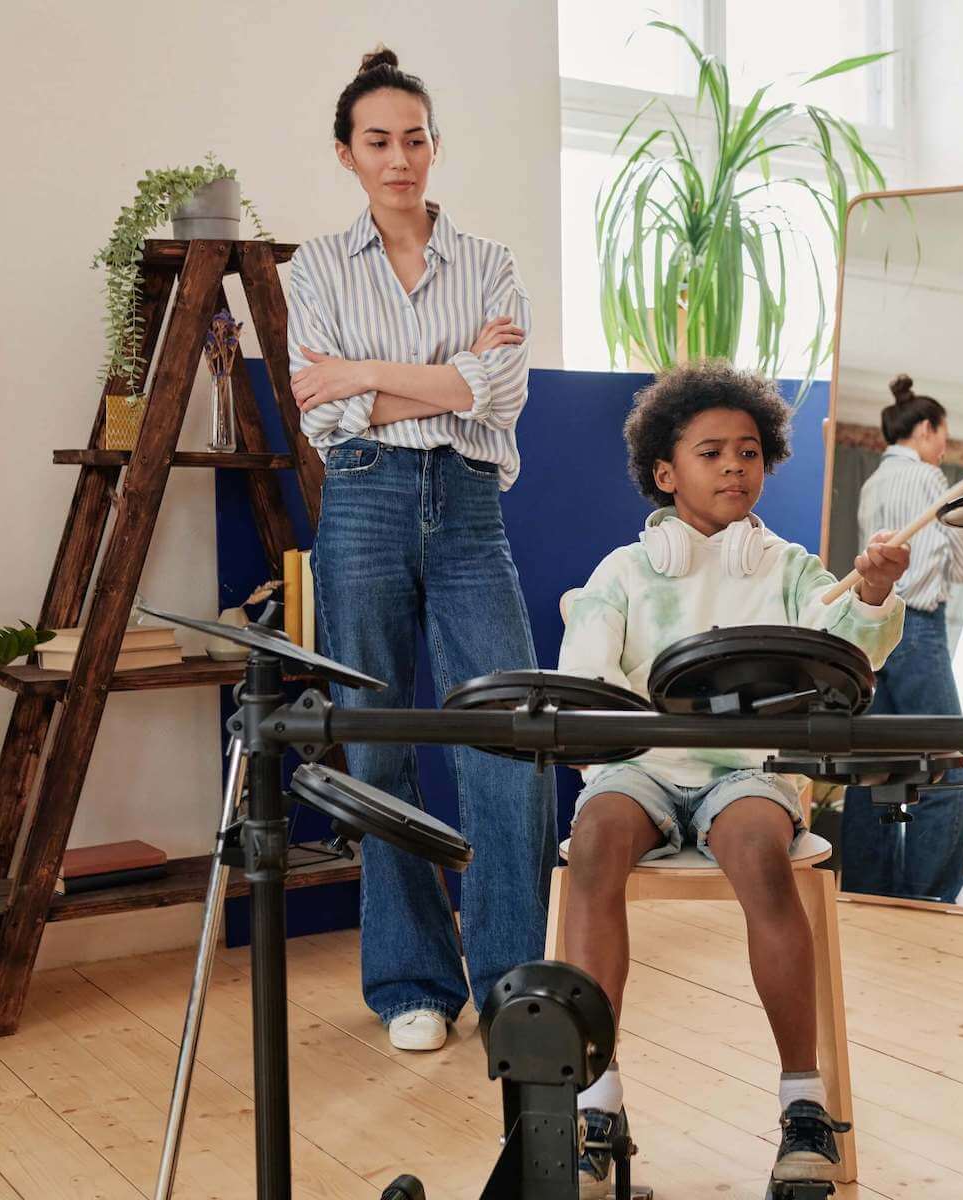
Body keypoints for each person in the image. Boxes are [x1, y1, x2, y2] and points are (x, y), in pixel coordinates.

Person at [556, 360, 908, 1194]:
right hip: (641, 767)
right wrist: (599, 713)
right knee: (595, 839)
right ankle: (597, 1107)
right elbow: (586, 673)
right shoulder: (624, 572)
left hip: (747, 773)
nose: (733, 467)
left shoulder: (787, 569)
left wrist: (876, 590)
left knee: (756, 848)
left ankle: (803, 1106)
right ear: (665, 473)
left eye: (748, 451)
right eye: (710, 452)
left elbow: (850, 652)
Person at [286, 47, 553, 1052]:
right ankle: (411, 983)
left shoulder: (489, 262)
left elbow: (503, 390)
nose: (400, 159)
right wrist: (447, 376)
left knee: (510, 739)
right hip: (362, 504)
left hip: (471, 507)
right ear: (348, 154)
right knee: (375, 739)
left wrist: (367, 373)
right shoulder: (311, 266)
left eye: (415, 139)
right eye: (378, 142)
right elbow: (328, 410)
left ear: (435, 146)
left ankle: (513, 978)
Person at [843, 374, 963, 904]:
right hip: (918, 629)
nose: (943, 446)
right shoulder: (928, 480)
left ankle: (868, 893)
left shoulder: (872, 483)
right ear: (925, 430)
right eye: (942, 435)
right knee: (954, 766)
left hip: (874, 631)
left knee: (874, 767)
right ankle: (927, 899)